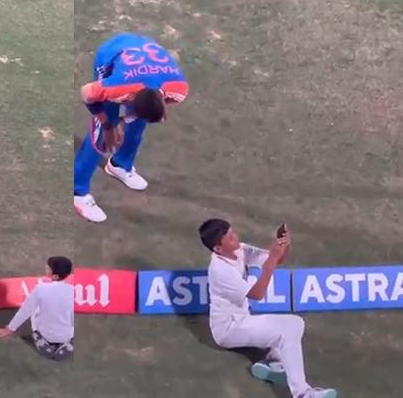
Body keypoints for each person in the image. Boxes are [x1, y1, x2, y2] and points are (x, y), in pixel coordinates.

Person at [199, 219, 337, 398]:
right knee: (286, 332)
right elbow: (256, 294)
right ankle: (302, 393)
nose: (236, 238)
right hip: (228, 330)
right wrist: (272, 258)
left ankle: (275, 363)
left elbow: (275, 259)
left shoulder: (238, 250)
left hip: (243, 319)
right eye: (230, 238)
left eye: (233, 233)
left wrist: (283, 246)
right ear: (218, 248)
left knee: (296, 323)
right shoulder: (220, 270)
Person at [74, 33, 189, 222]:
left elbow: (150, 110)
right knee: (100, 136)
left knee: (139, 123)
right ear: (129, 99)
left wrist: (123, 122)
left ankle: (120, 165)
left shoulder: (178, 89)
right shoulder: (115, 87)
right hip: (111, 56)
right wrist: (108, 125)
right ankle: (78, 192)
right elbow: (87, 94)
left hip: (141, 55)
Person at [0, 256, 74, 361]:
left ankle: (42, 341)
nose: (45, 267)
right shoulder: (73, 291)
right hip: (67, 335)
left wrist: (10, 329)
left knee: (36, 310)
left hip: (45, 333)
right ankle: (67, 343)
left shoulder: (40, 289)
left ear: (55, 276)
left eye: (48, 267)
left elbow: (25, 311)